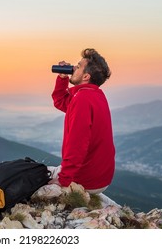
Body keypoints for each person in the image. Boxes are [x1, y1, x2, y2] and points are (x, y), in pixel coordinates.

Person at [49, 48, 115, 195]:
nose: (73, 68)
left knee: (29, 175)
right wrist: (62, 78)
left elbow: (77, 144)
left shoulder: (82, 99)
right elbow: (61, 101)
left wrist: (63, 181)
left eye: (78, 66)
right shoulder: (95, 95)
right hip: (100, 178)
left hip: (85, 180)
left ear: (86, 76)